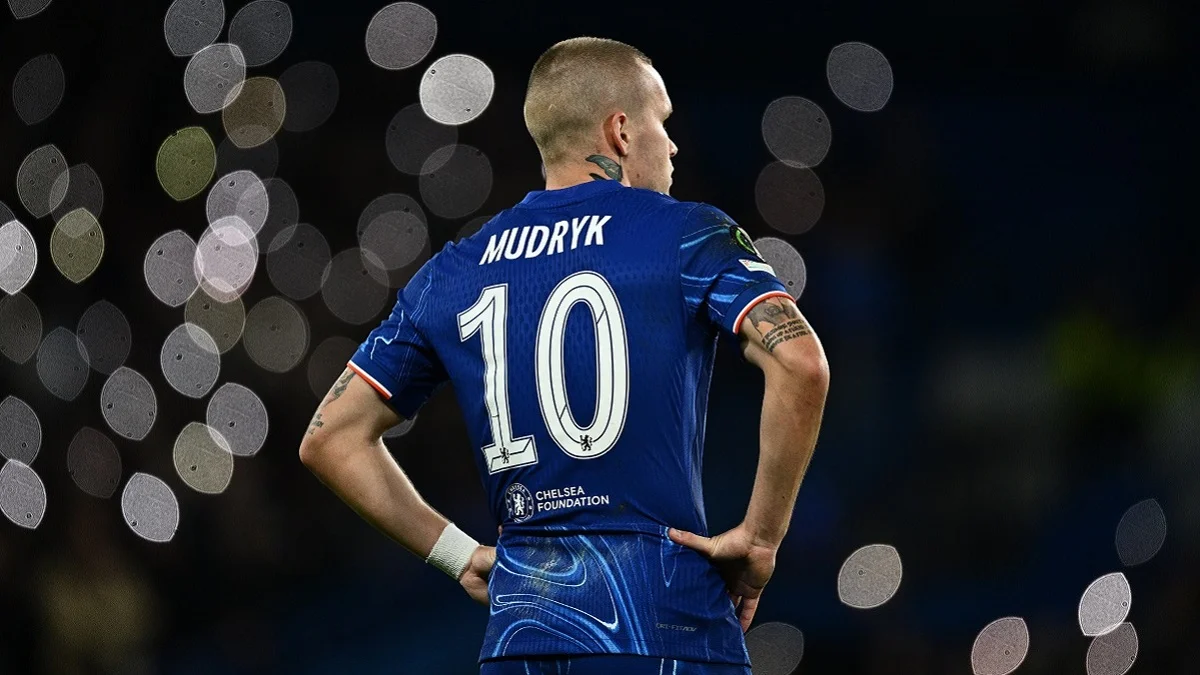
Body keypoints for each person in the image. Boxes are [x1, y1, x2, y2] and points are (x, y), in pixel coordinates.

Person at [299, 36, 830, 675]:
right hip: (664, 623)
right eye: (662, 122)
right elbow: (800, 362)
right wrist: (761, 537)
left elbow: (329, 438)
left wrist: (457, 555)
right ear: (621, 132)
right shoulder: (687, 233)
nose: (673, 146)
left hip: (523, 631)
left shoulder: (454, 271)